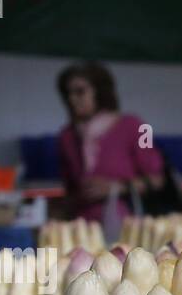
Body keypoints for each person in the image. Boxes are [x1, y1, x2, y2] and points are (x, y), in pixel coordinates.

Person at [56, 62, 165, 230]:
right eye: (67, 93)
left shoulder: (138, 127)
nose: (72, 99)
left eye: (80, 92)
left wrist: (116, 187)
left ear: (99, 91)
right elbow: (69, 191)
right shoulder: (66, 136)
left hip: (127, 226)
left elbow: (157, 180)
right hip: (81, 227)